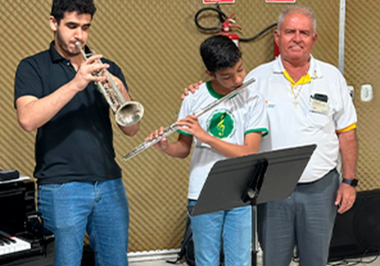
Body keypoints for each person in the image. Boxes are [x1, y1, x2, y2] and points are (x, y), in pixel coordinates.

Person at [184, 6, 358, 266]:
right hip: (271, 190)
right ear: (277, 37)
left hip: (321, 187)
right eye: (290, 31)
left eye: (304, 32)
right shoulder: (255, 79)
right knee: (274, 260)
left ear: (314, 38)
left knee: (316, 260)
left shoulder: (332, 77)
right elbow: (219, 94)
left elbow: (347, 134)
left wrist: (349, 181)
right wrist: (197, 90)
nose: (296, 38)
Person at [14, 0, 139, 265]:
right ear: (53, 23)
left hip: (109, 182)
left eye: (85, 27)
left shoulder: (107, 67)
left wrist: (118, 87)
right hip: (60, 186)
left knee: (116, 261)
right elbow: (27, 119)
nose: (79, 35)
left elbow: (131, 128)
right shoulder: (32, 66)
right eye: (72, 26)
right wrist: (76, 83)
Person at [147, 35, 268, 266]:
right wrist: (164, 146)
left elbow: (249, 153)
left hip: (240, 190)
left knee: (239, 261)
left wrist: (205, 136)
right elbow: (183, 149)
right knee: (205, 260)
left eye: (240, 70)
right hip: (202, 191)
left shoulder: (253, 97)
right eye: (227, 76)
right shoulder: (194, 98)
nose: (238, 79)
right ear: (209, 73)